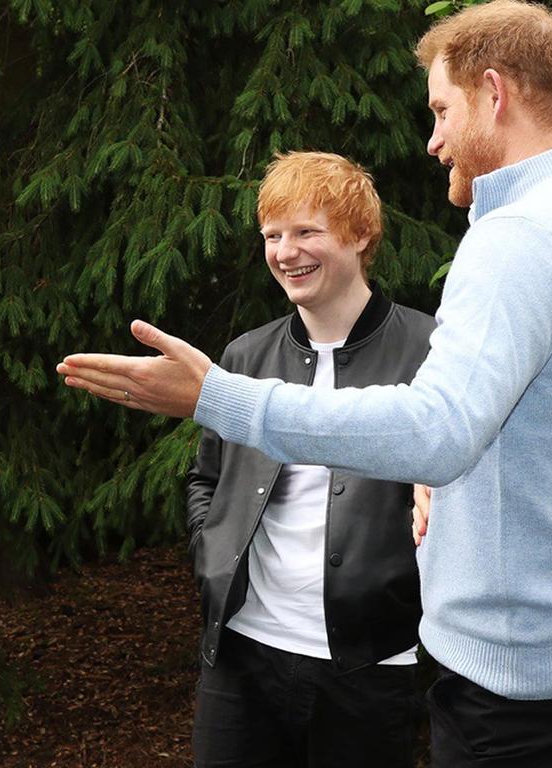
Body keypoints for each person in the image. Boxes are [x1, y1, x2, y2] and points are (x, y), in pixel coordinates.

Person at [58, 2, 552, 765]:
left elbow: (436, 434)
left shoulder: (517, 240)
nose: (434, 139)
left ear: (494, 95)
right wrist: (463, 481)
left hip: (517, 685)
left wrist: (216, 398)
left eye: (442, 109)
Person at [187, 151, 434, 768]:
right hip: (241, 655)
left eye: (306, 231)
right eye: (272, 235)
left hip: (372, 666)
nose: (285, 251)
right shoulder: (245, 355)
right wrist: (210, 551)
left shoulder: (432, 350)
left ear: (360, 235)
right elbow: (205, 477)